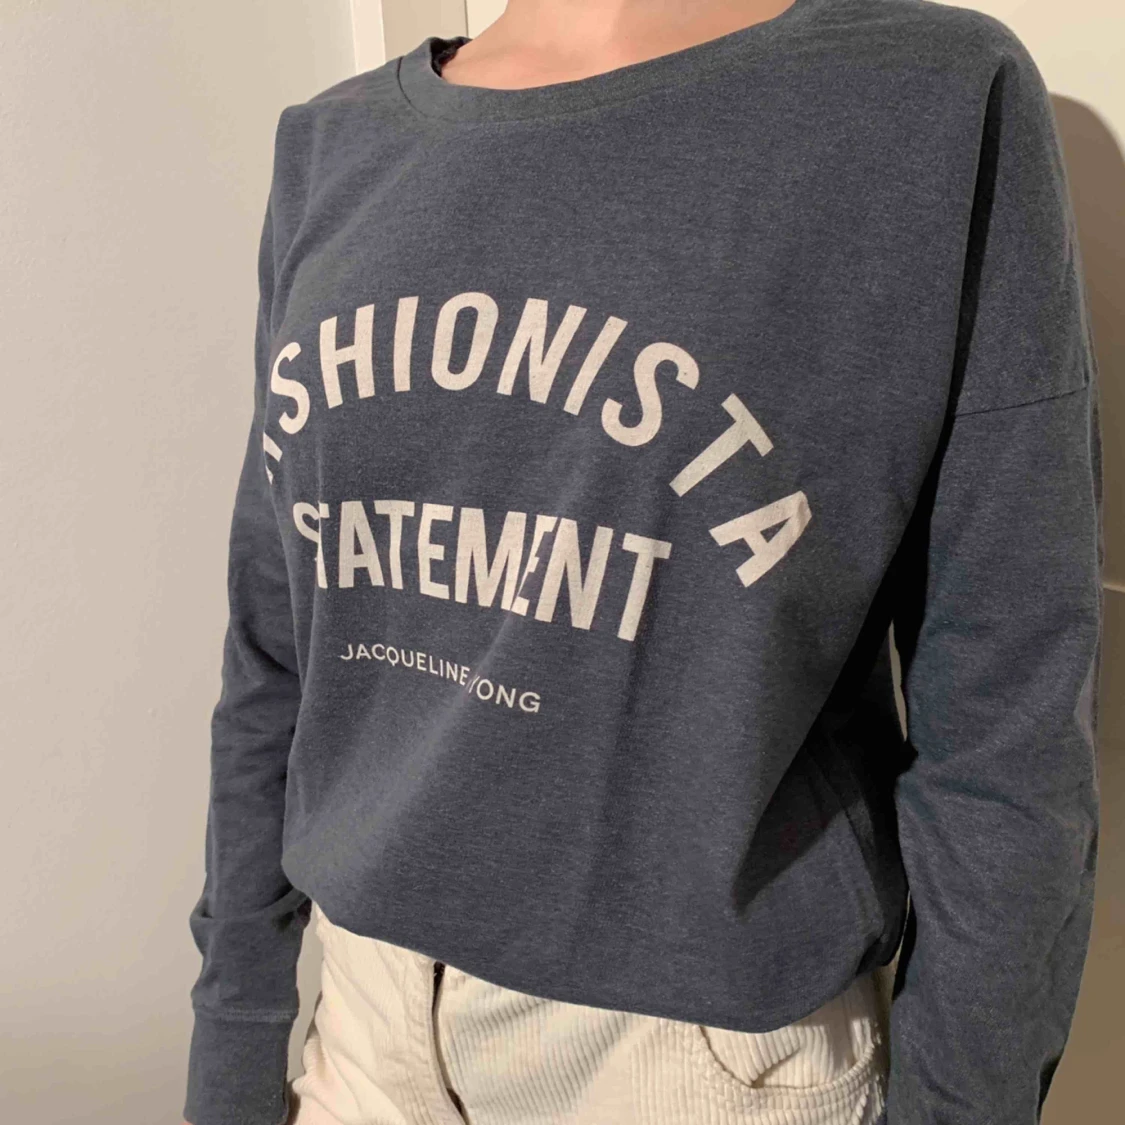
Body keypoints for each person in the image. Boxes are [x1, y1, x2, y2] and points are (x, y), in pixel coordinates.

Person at [181, 1, 1105, 1123]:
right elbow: (276, 651)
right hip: (364, 1028)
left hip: (691, 1063)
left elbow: (1010, 716)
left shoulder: (923, 96)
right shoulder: (332, 144)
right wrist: (234, 1047)